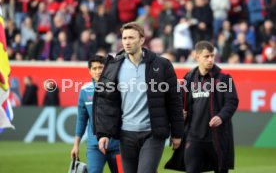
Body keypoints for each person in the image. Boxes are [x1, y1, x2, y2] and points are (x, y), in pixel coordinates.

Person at [93, 22, 185, 173]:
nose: (127, 42)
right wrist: (103, 134)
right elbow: (105, 102)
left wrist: (177, 133)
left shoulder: (162, 65)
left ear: (142, 40)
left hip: (153, 134)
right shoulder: (114, 66)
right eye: (124, 38)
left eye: (131, 38)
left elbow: (174, 100)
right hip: (126, 134)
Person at [183, 41, 239, 173]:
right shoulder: (189, 78)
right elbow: (182, 102)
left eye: (212, 56)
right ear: (197, 57)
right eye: (206, 56)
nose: (210, 59)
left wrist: (221, 116)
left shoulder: (224, 78)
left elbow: (232, 102)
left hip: (217, 137)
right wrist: (182, 112)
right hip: (194, 136)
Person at [71, 56, 120, 173]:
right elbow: (82, 119)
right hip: (95, 146)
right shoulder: (85, 90)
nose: (98, 71)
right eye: (94, 68)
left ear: (106, 69)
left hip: (118, 145)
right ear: (89, 71)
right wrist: (76, 144)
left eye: (101, 68)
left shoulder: (118, 88)